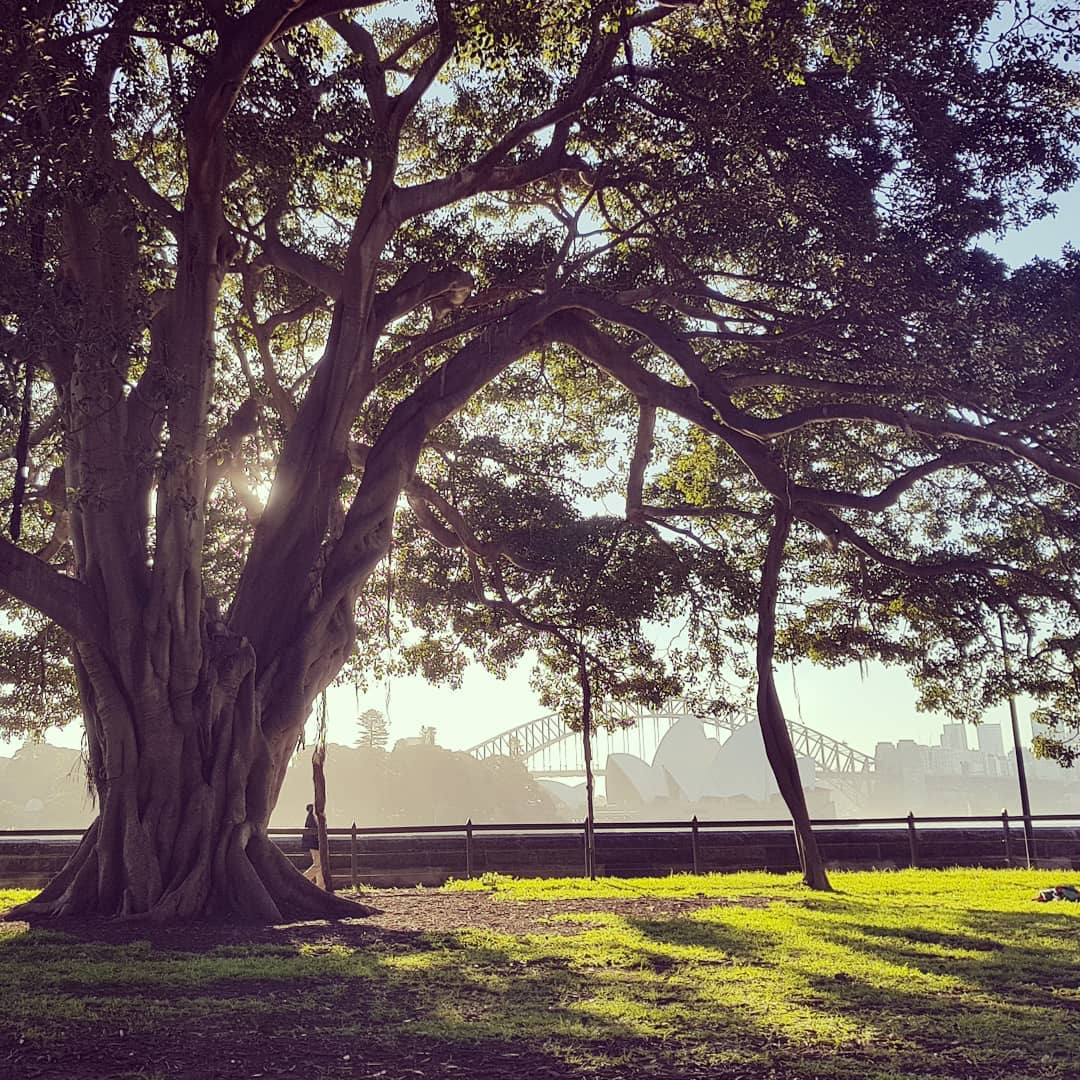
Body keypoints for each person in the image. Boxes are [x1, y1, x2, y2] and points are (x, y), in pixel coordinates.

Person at [302, 803, 324, 888]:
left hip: (313, 842)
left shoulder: (310, 815)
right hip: (315, 842)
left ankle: (321, 886)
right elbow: (319, 826)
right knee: (319, 864)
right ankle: (304, 879)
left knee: (319, 864)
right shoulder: (315, 814)